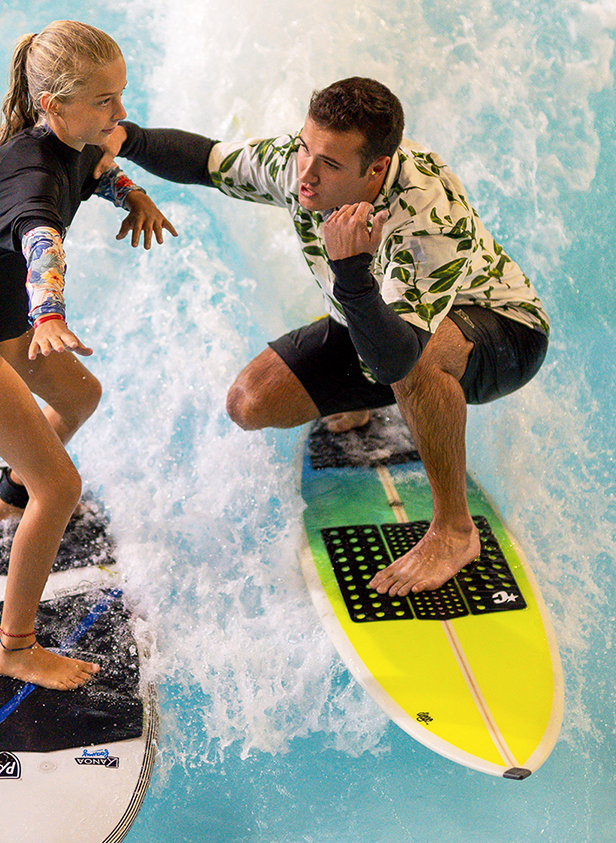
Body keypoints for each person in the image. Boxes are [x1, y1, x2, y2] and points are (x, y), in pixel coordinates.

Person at [108, 77, 548, 596]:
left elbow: (397, 362)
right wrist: (123, 139)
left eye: (330, 165)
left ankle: (454, 530)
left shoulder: (428, 214)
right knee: (250, 402)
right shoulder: (301, 164)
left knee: (418, 363)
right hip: (377, 320)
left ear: (376, 169)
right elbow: (206, 161)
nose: (306, 176)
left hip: (500, 330)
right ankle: (381, 402)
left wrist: (351, 270)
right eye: (304, 149)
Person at [0, 21, 177, 691]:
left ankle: (10, 498)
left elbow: (101, 166)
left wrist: (131, 194)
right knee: (64, 486)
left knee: (80, 397)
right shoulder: (28, 176)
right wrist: (48, 314)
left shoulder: (74, 136)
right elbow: (41, 246)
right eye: (105, 101)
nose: (121, 114)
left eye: (121, 95)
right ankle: (14, 648)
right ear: (55, 104)